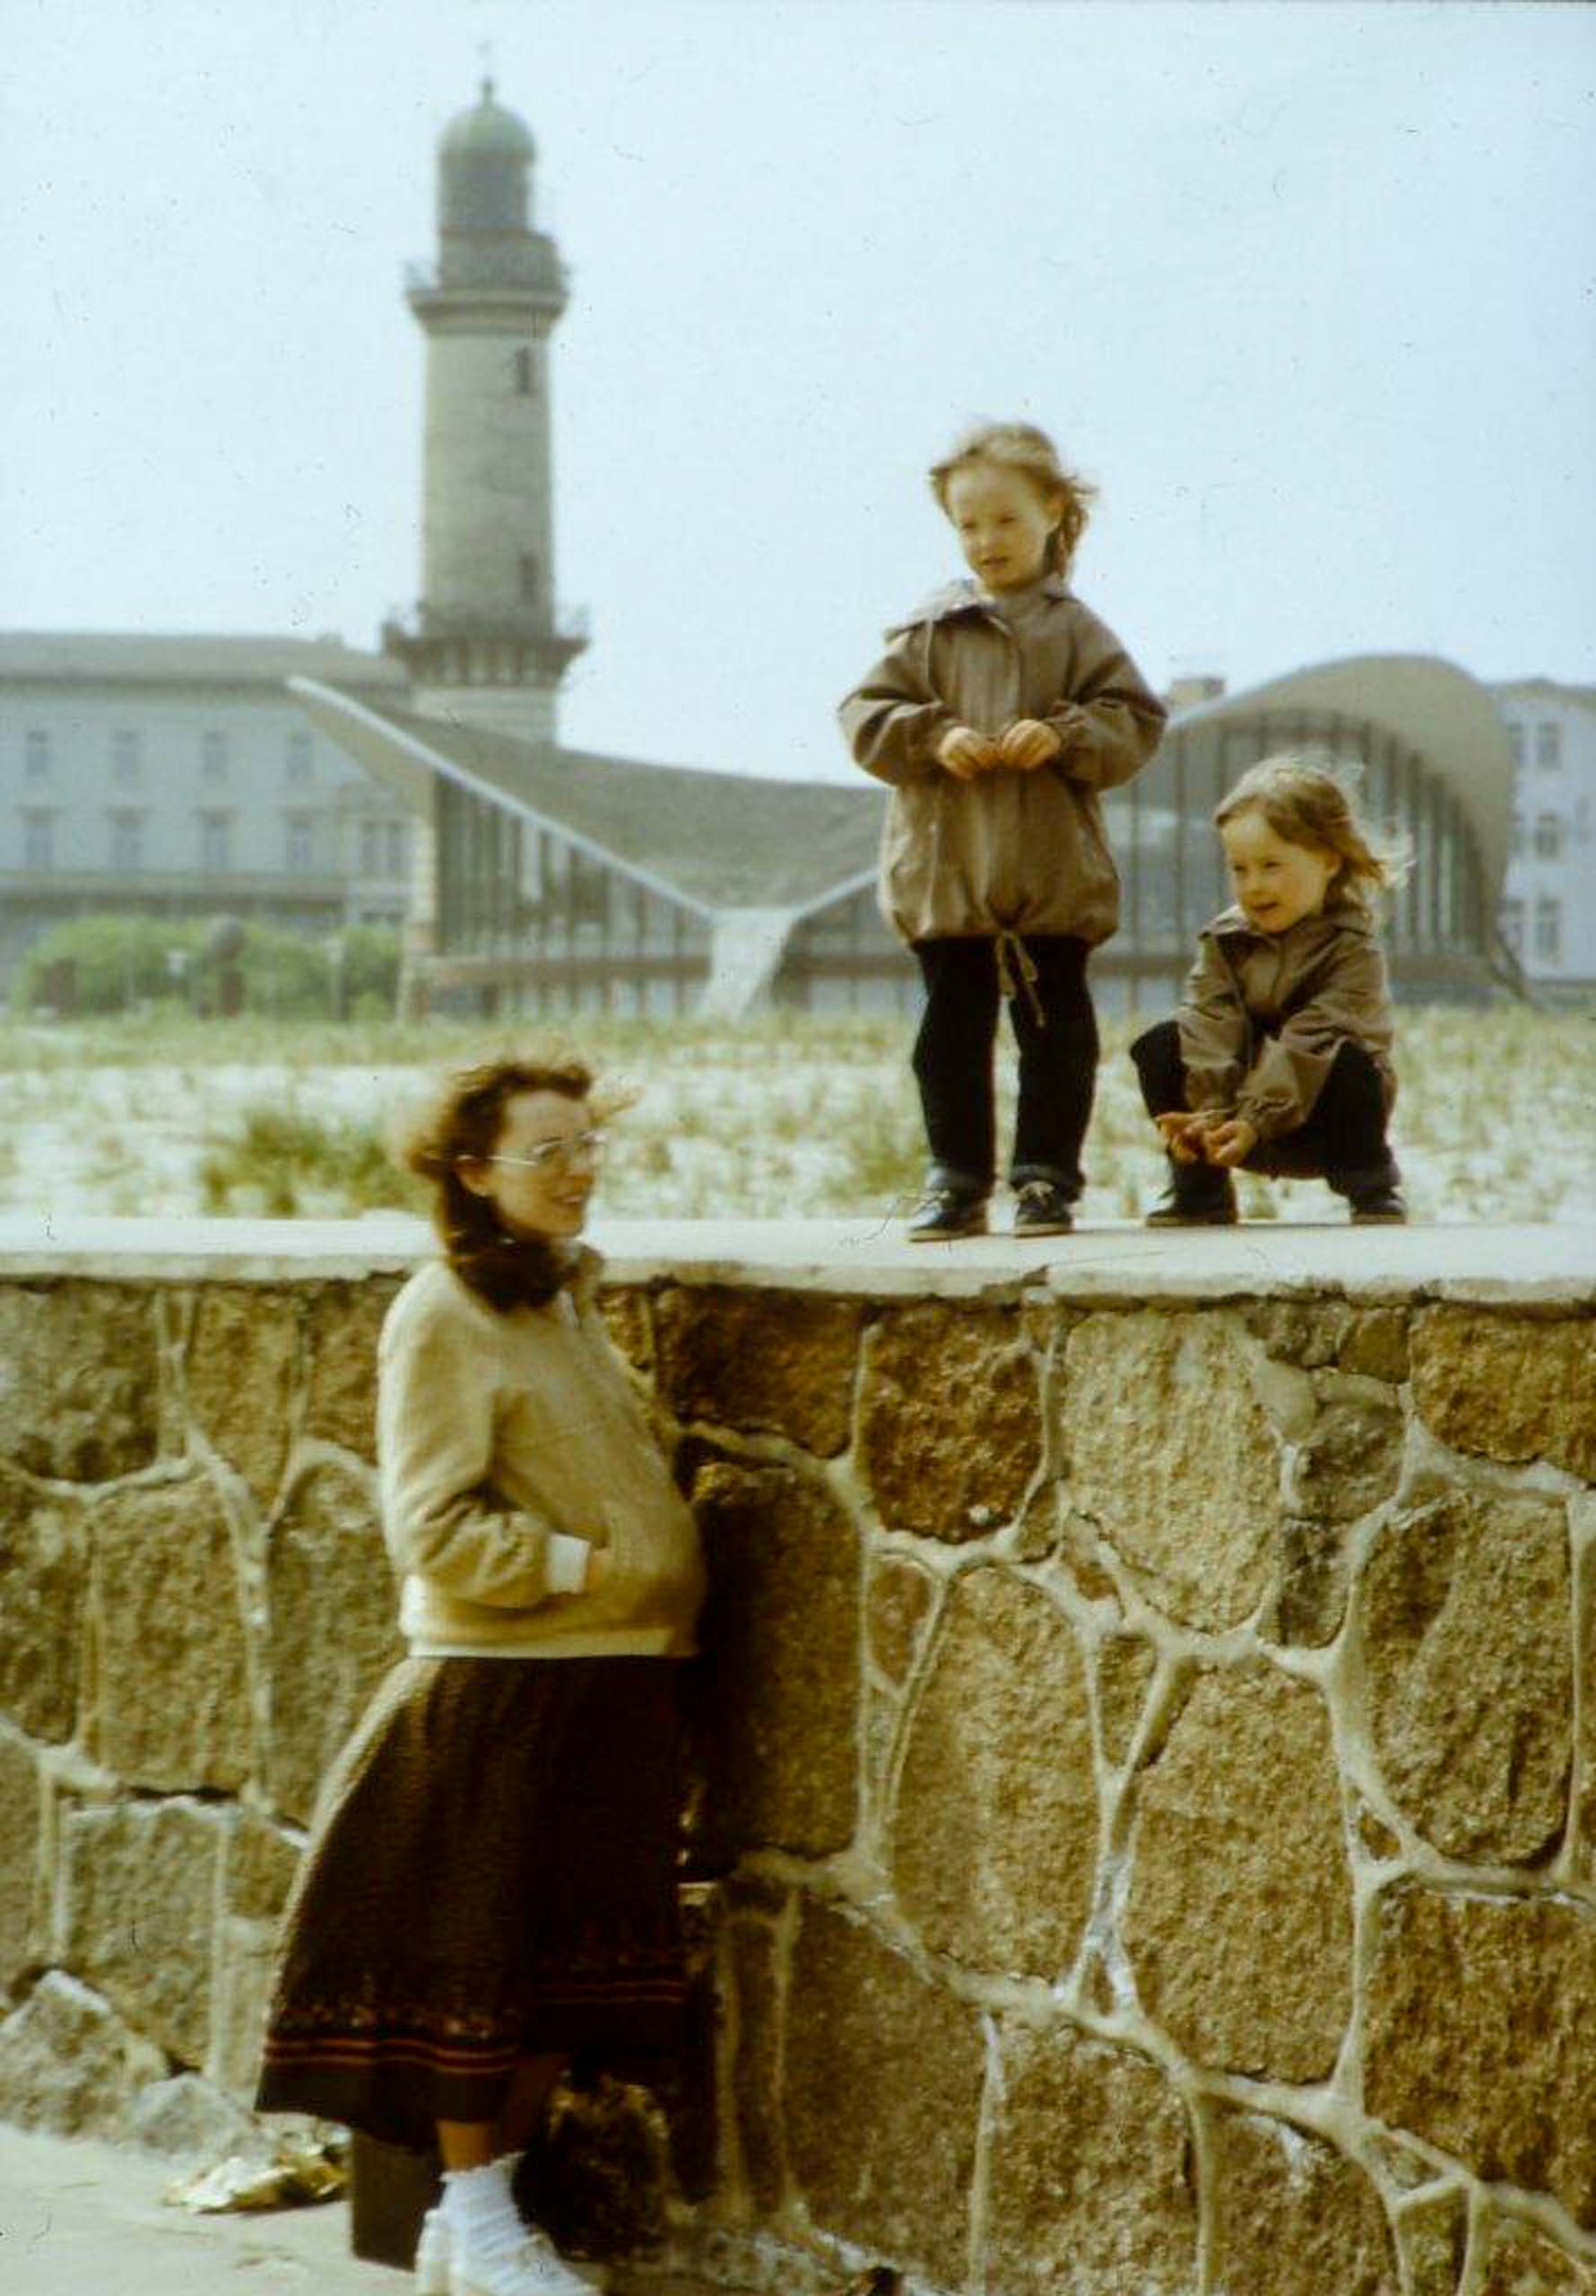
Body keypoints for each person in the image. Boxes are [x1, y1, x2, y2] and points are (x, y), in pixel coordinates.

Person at [256, 1054, 706, 2296]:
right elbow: (432, 1527)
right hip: (505, 1689)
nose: (576, 1172)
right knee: (480, 1970)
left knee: (562, 1982)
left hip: (610, 1680)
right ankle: (478, 2221)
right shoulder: (442, 1310)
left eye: (586, 1147)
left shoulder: (561, 1296)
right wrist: (581, 1565)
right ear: (471, 1172)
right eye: (545, 1153)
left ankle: (472, 2228)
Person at [837, 419, 1167, 1240]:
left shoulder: (1077, 630)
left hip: (1051, 881)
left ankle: (1046, 1179)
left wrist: (1065, 734)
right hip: (948, 880)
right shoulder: (929, 631)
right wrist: (933, 736)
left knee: (1056, 1036)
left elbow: (1135, 720)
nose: (987, 540)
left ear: (1053, 511)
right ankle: (955, 1180)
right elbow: (862, 716)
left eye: (1007, 519)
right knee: (948, 1036)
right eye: (969, 524)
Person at [1131, 752, 1408, 1225]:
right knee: (1163, 1044)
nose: (1254, 885)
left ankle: (1371, 1187)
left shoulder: (1353, 950)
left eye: (1271, 865)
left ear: (1327, 860)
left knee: (1346, 1060)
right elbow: (1209, 1023)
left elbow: (1310, 1042)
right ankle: (1200, 1190)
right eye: (1239, 869)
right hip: (1233, 1125)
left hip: (1315, 1126)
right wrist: (1211, 1117)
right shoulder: (1224, 941)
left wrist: (1254, 1121)